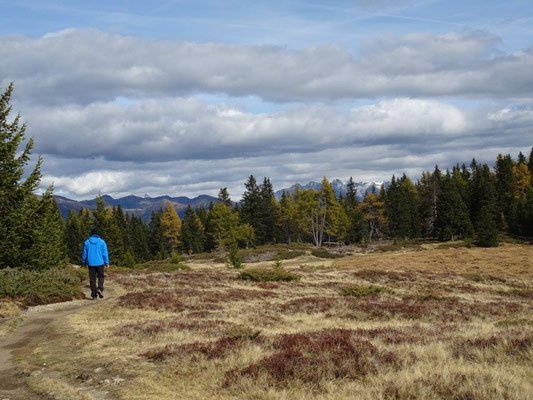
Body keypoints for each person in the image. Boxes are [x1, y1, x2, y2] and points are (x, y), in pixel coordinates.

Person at [82, 227, 109, 300]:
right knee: (101, 277)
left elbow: (84, 253)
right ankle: (99, 288)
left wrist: (84, 262)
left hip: (91, 264)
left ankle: (94, 295)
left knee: (92, 279)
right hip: (100, 263)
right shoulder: (102, 242)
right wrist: (107, 263)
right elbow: (105, 253)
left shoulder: (87, 242)